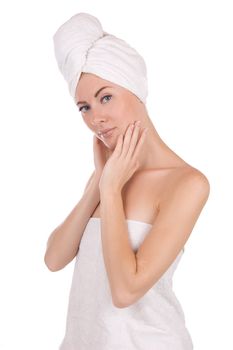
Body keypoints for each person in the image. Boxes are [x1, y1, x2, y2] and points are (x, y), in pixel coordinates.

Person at [44, 12, 210, 350]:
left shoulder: (187, 184)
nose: (96, 118)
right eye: (84, 107)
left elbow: (125, 290)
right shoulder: (110, 176)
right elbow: (54, 258)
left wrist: (110, 190)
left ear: (136, 89)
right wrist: (99, 184)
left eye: (106, 97)